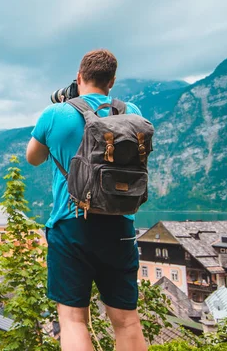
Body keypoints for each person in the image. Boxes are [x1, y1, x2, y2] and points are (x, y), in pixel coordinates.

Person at [26, 50, 147, 351]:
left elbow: (33, 158)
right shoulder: (131, 111)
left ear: (79, 77)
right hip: (120, 226)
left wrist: (62, 110)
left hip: (71, 226)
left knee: (73, 320)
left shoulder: (57, 114)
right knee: (128, 321)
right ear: (112, 81)